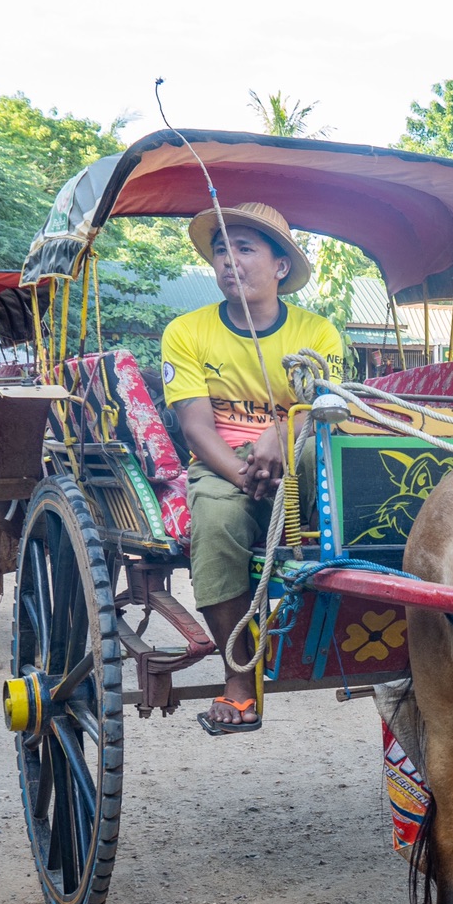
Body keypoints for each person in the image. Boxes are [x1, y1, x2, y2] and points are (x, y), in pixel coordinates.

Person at [161, 201, 345, 735]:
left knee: (321, 450)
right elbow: (196, 428)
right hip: (223, 466)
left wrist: (279, 435)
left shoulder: (319, 333)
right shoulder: (187, 332)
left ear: (280, 266)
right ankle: (239, 677)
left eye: (245, 249)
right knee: (216, 525)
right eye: (221, 249)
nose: (229, 261)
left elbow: (320, 413)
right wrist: (243, 478)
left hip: (303, 457)